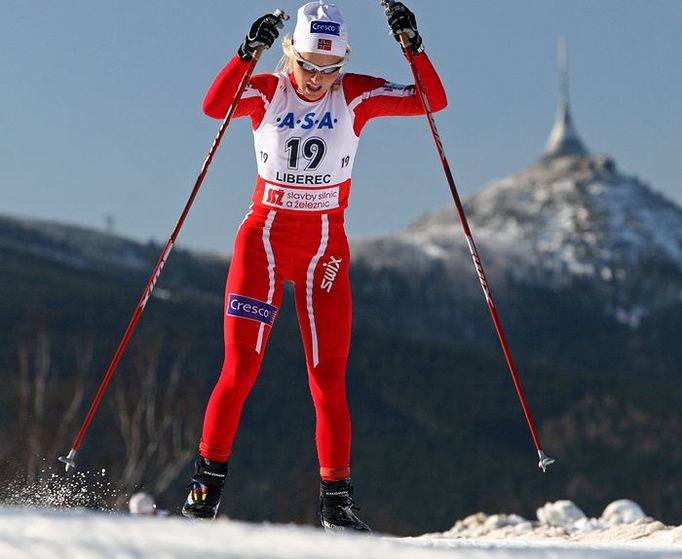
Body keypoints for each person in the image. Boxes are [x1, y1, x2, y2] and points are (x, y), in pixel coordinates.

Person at [181, 1, 446, 532]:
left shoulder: (356, 95)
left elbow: (431, 101)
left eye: (330, 69)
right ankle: (203, 497)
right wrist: (243, 53)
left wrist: (412, 47)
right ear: (290, 55)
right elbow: (213, 107)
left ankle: (337, 508)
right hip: (264, 247)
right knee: (239, 371)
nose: (317, 80)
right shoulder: (266, 91)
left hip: (325, 256)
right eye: (307, 65)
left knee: (328, 381)